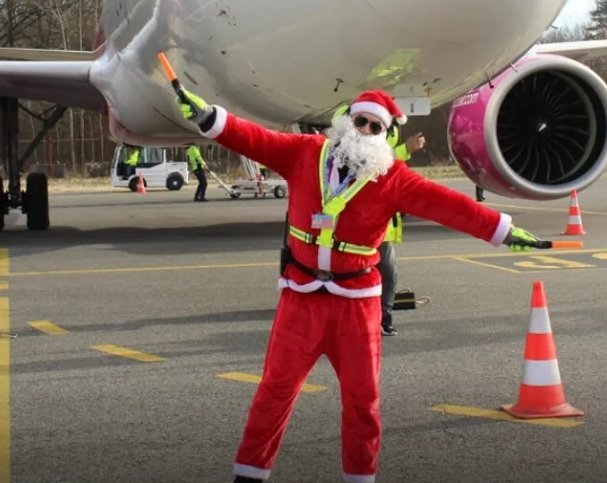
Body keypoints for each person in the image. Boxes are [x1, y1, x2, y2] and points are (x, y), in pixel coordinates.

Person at [173, 86, 540, 483]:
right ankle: (249, 475)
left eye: (374, 126)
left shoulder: (392, 176)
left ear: (384, 135)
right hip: (301, 298)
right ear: (347, 121)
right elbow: (253, 138)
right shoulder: (304, 153)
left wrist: (501, 230)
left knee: (363, 404)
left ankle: (360, 478)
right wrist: (208, 116)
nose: (364, 130)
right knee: (273, 392)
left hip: (357, 306)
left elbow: (447, 205)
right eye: (360, 121)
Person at [376, 123, 425, 336]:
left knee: (384, 274)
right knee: (387, 274)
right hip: (371, 231)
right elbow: (379, 162)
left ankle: (381, 317)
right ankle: (382, 317)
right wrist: (406, 149)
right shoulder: (367, 147)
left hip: (379, 230)